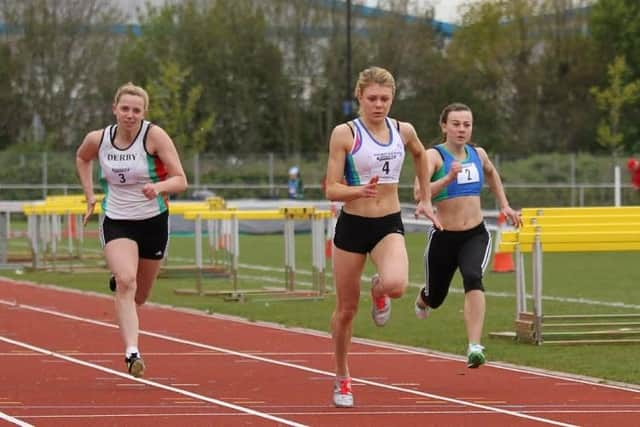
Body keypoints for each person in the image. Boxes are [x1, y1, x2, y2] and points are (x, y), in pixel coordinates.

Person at [324, 66, 441, 408]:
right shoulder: (345, 134)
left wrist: (425, 196)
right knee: (346, 310)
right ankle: (343, 377)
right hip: (352, 226)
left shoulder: (403, 130)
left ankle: (378, 290)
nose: (379, 105)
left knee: (397, 285)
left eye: (385, 99)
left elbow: (421, 154)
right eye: (372, 98)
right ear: (359, 97)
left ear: (393, 98)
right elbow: (330, 188)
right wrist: (355, 191)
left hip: (388, 222)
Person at [75, 82, 188, 377]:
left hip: (153, 221)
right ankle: (132, 352)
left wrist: (158, 186)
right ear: (114, 109)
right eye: (124, 108)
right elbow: (82, 157)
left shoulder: (154, 136)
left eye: (136, 110)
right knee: (126, 281)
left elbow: (181, 180)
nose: (130, 115)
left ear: (144, 113)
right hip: (117, 219)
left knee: (140, 295)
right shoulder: (99, 139)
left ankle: (125, 288)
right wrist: (89, 197)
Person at [413, 102, 521, 369]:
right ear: (444, 126)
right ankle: (424, 297)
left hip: (475, 234)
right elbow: (419, 193)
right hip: (443, 235)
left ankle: (474, 346)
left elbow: (492, 174)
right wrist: (448, 178)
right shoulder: (433, 156)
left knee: (473, 277)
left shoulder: (478, 153)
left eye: (467, 125)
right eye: (456, 124)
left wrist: (504, 205)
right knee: (436, 297)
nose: (462, 129)